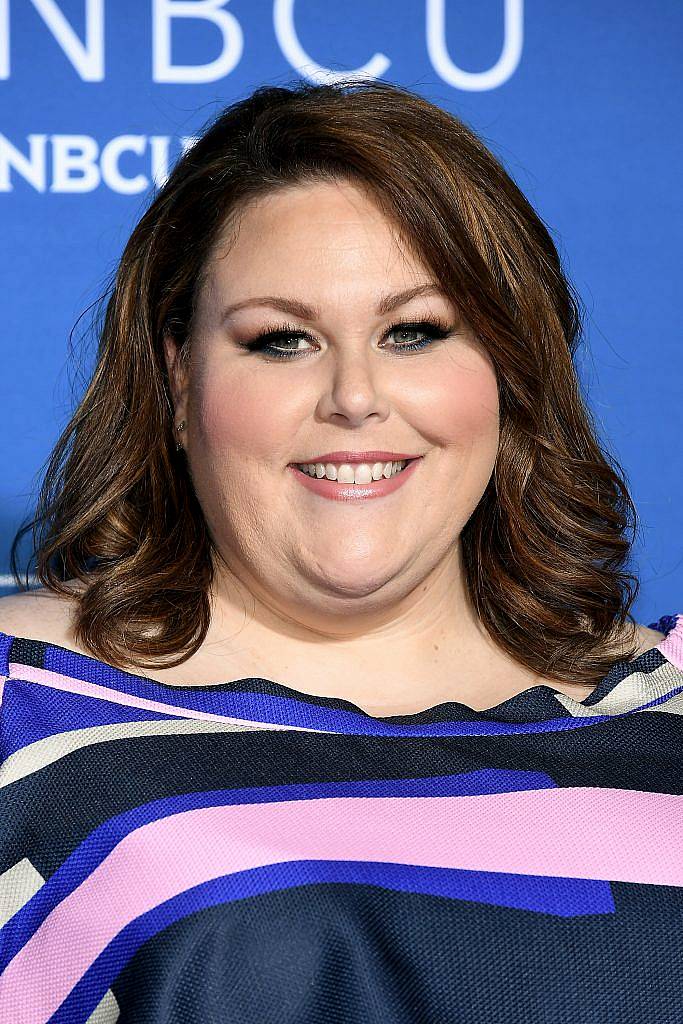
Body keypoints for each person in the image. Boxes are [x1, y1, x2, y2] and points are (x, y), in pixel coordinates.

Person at [0, 77, 679, 1023]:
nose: (354, 397)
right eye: (282, 340)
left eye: (414, 331)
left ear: (508, 374)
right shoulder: (23, 707)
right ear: (177, 379)